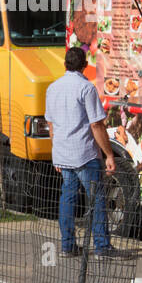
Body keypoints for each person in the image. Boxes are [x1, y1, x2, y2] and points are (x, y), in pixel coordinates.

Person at [45, 46, 118, 257]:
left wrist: (55, 153)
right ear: (85, 66)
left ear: (65, 64)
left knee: (67, 198)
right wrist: (109, 154)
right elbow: (96, 125)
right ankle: (102, 246)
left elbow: (51, 125)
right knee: (96, 199)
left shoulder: (53, 88)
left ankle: (68, 246)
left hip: (63, 153)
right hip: (85, 153)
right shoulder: (86, 88)